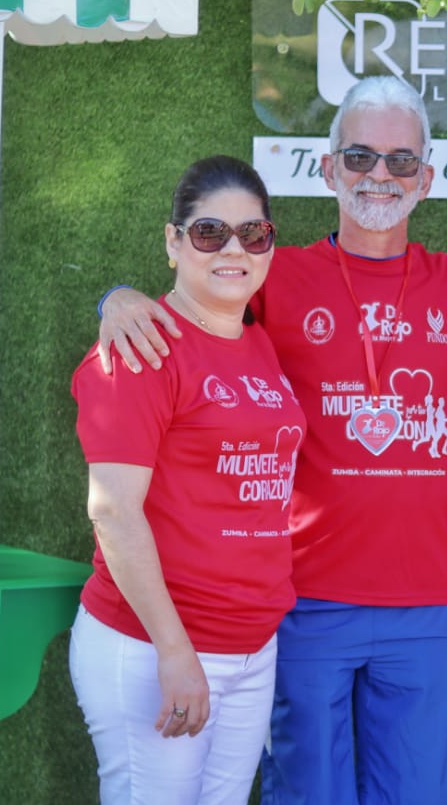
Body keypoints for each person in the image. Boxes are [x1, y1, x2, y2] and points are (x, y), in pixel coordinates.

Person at [97, 77, 447, 805]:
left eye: (402, 161)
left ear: (426, 179)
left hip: (421, 602)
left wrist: (430, 458)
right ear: (329, 167)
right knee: (310, 791)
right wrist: (114, 297)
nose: (381, 175)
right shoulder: (279, 273)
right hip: (304, 599)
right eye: (361, 155)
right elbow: (194, 311)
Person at [71, 156, 305, 804]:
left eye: (253, 234)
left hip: (251, 646)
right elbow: (114, 511)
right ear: (173, 242)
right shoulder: (140, 352)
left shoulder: (257, 338)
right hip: (155, 644)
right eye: (209, 233)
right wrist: (174, 650)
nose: (233, 249)